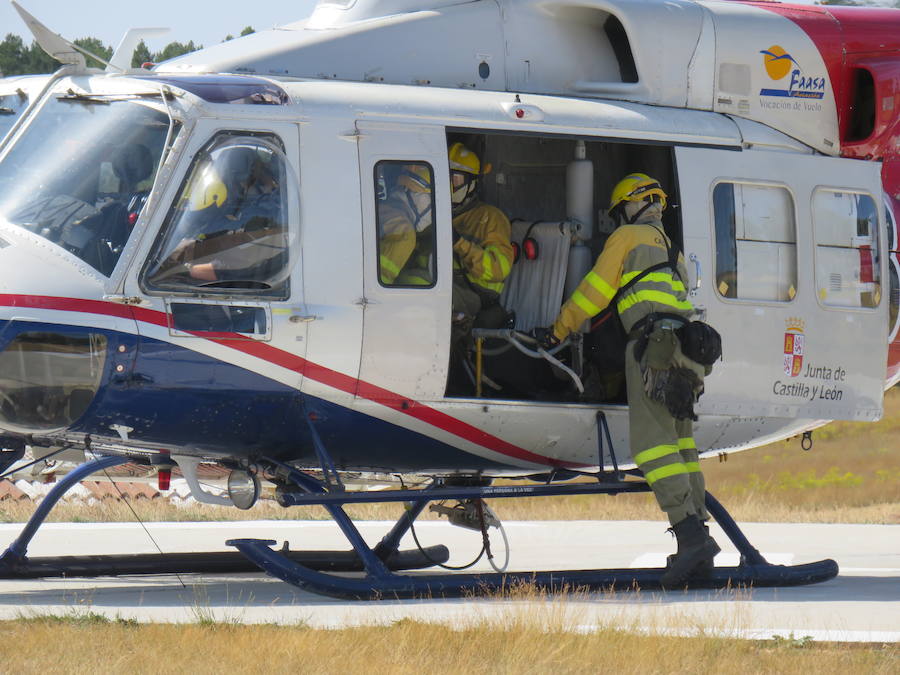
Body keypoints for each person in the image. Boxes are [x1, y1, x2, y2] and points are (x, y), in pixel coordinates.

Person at [536, 172, 720, 587]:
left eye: (621, 211)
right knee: (682, 445)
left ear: (631, 206)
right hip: (687, 351)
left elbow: (595, 291)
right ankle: (698, 537)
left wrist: (559, 329)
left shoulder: (627, 237)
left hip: (655, 348)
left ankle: (690, 537)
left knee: (652, 447)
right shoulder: (672, 249)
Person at [448, 142, 514, 331]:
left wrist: (460, 244)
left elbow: (498, 269)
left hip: (474, 294)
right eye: (443, 178)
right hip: (446, 285)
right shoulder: (436, 214)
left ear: (472, 184)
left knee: (424, 294)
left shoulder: (490, 217)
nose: (449, 186)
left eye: (455, 180)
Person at [377, 164, 434, 286]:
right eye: (430, 199)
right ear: (411, 191)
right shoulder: (404, 232)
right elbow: (377, 288)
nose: (432, 210)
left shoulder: (382, 209)